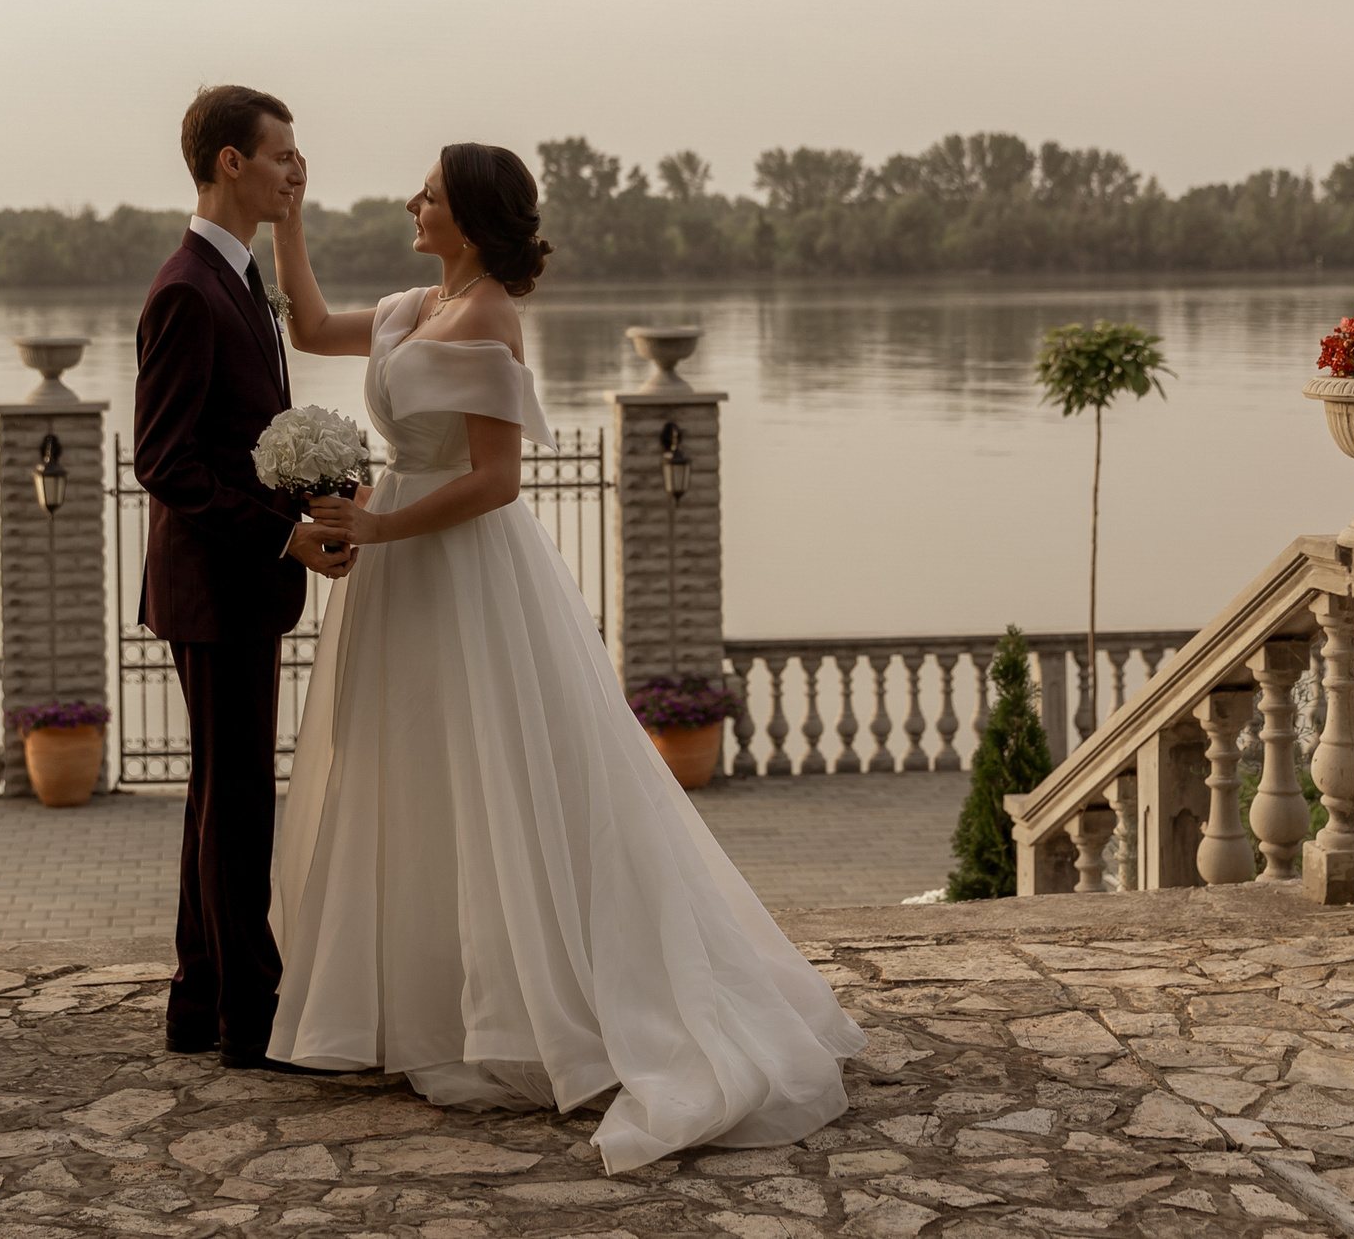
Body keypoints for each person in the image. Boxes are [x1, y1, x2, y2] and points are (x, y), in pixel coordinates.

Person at [262, 141, 864, 1171]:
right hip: (398, 567)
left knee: (498, 771)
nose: (414, 203)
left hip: (461, 568)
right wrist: (287, 217)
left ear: (473, 216)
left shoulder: (493, 314)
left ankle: (536, 1008)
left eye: (432, 195)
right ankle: (422, 1002)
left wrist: (379, 531)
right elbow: (311, 326)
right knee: (410, 771)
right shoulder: (410, 307)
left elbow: (497, 479)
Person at [133, 84, 355, 1072]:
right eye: (280, 155)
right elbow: (166, 463)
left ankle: (201, 1001)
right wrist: (281, 538)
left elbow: (244, 439)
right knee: (237, 802)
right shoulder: (186, 288)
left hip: (235, 581)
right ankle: (248, 1021)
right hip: (216, 587)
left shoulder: (239, 278)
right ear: (231, 162)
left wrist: (323, 490)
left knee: (221, 794)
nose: (293, 170)